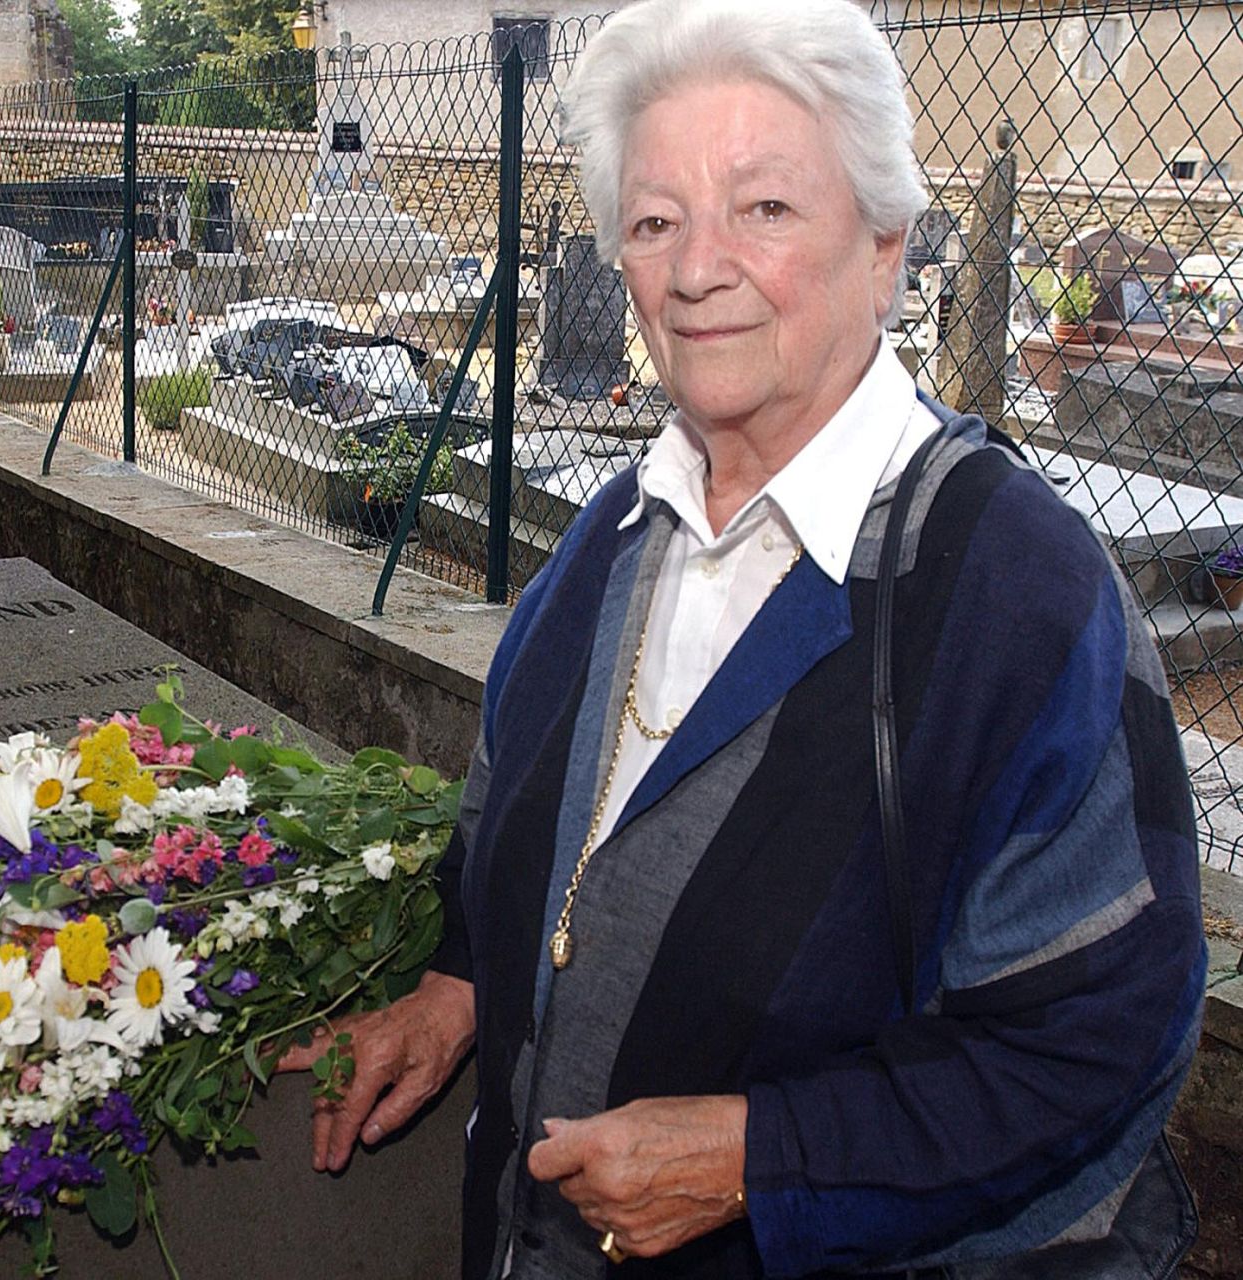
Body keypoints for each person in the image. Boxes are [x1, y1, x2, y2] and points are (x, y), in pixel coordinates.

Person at [277, 1, 1206, 1276]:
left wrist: (765, 1160)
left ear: (883, 246)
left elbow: (1096, 1040)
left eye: (764, 208)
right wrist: (463, 987)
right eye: (654, 222)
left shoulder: (1014, 594)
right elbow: (526, 823)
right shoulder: (616, 532)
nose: (696, 266)